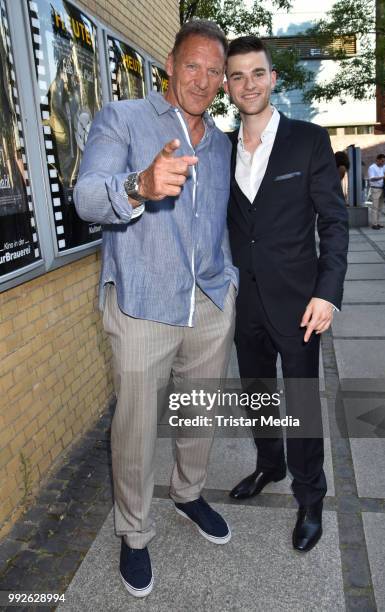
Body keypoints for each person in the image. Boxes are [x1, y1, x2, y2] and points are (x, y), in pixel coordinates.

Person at [74, 20, 238, 598]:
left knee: (200, 413)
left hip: (209, 302)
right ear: (169, 65)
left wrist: (229, 282)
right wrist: (140, 186)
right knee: (137, 428)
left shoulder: (220, 142)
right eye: (192, 65)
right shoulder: (123, 119)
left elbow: (218, 224)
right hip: (143, 302)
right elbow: (87, 196)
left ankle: (189, 495)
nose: (202, 79)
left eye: (214, 70)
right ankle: (134, 534)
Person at [224, 36, 348, 553]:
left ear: (274, 79)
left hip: (300, 303)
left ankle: (311, 495)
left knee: (301, 402)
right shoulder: (218, 147)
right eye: (237, 76)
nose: (248, 84)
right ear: (227, 86)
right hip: (243, 302)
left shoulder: (308, 140)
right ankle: (269, 466)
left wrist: (328, 293)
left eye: (257, 73)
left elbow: (334, 222)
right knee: (256, 396)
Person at [368, 153, 385, 229]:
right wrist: (382, 177)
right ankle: (374, 224)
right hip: (375, 188)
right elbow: (371, 178)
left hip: (382, 188)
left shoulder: (382, 168)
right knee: (375, 207)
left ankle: (378, 222)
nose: (383, 162)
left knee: (380, 207)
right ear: (377, 160)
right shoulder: (372, 167)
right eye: (382, 161)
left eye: (384, 161)